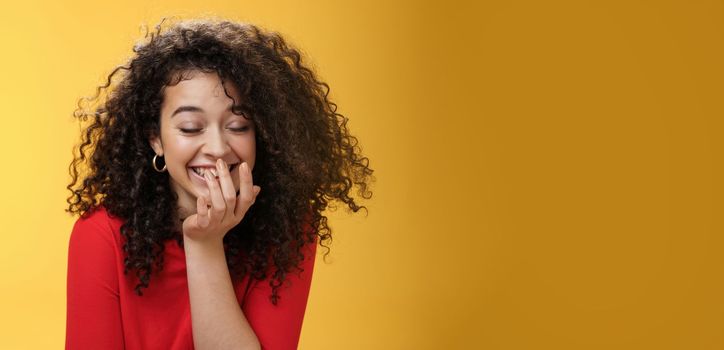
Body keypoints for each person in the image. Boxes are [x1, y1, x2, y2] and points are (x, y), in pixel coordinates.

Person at [65, 17, 373, 350]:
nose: (217, 148)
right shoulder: (101, 234)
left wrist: (204, 245)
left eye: (238, 126)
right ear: (156, 139)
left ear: (264, 135)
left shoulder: (288, 231)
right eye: (191, 127)